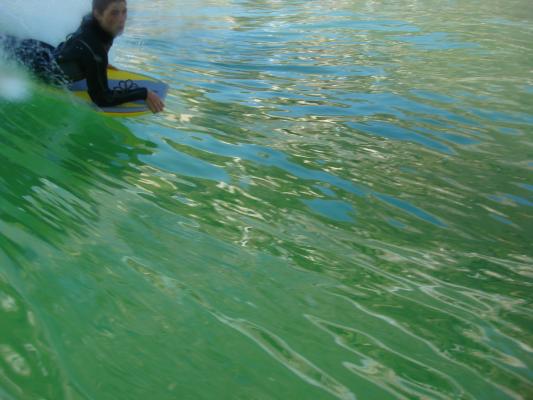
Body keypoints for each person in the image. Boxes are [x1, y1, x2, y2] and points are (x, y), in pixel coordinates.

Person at [0, 0, 164, 113]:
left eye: (124, 12)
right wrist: (144, 93)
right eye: (114, 13)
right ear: (98, 14)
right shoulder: (93, 51)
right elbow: (102, 99)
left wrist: (101, 62)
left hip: (47, 52)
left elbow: (87, 44)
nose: (121, 19)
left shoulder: (92, 20)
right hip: (40, 66)